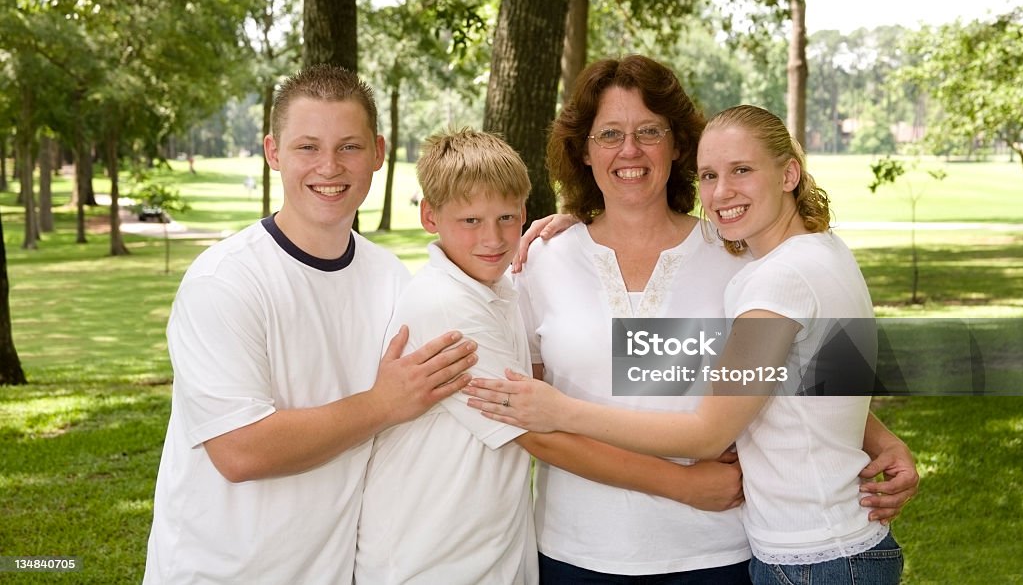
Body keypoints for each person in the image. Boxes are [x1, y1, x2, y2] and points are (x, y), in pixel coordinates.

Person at [467, 103, 908, 584]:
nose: (723, 191)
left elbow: (718, 423)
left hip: (751, 551)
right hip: (583, 548)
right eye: (711, 175)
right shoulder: (545, 258)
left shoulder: (752, 264)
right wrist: (879, 440)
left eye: (649, 131)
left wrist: (560, 410)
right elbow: (800, 369)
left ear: (789, 175)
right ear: (585, 152)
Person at [144, 65, 477, 584]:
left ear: (379, 153)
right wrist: (382, 404)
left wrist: (564, 236)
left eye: (349, 146)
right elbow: (239, 450)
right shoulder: (225, 280)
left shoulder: (391, 279)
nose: (330, 166)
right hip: (218, 573)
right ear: (274, 152)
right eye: (307, 147)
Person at [355, 128, 538, 584]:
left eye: (506, 218)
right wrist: (681, 483)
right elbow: (540, 434)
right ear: (430, 216)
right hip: (428, 559)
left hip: (486, 548)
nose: (493, 238)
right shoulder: (446, 305)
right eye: (471, 221)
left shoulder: (501, 288)